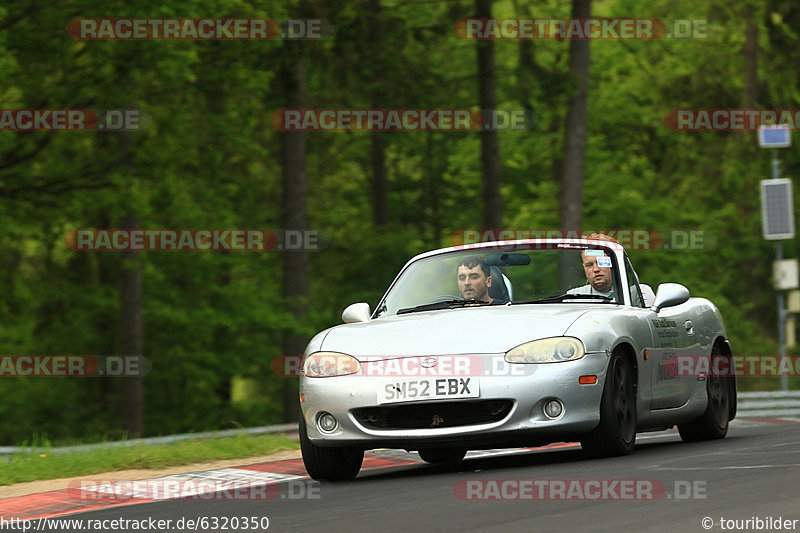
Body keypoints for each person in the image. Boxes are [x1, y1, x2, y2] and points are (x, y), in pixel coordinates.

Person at [567, 233, 617, 299]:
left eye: (600, 262)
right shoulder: (573, 298)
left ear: (614, 264)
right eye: (589, 265)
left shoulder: (631, 296)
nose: (596, 269)